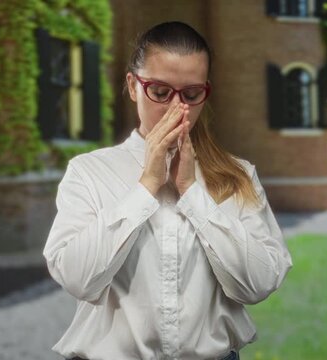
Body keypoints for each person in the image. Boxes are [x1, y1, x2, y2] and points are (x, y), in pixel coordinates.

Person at [43, 21, 292, 360]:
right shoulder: (89, 172)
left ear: (205, 91)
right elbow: (77, 278)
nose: (178, 109)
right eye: (159, 92)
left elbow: (259, 283)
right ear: (133, 86)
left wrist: (192, 192)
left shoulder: (237, 174)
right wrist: (147, 186)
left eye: (191, 95)